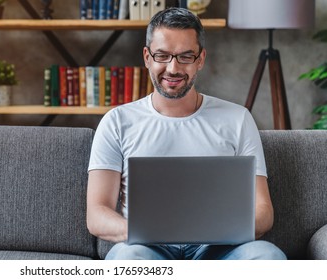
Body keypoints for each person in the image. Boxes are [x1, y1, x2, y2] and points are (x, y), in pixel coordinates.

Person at [86, 7, 286, 260]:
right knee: (128, 258)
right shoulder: (117, 122)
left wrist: (220, 230)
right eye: (162, 56)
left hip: (220, 248)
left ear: (200, 59)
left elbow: (263, 210)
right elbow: (97, 215)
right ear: (147, 57)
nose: (173, 68)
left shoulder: (238, 119)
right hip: (146, 246)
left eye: (185, 57)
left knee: (267, 257)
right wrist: (144, 232)